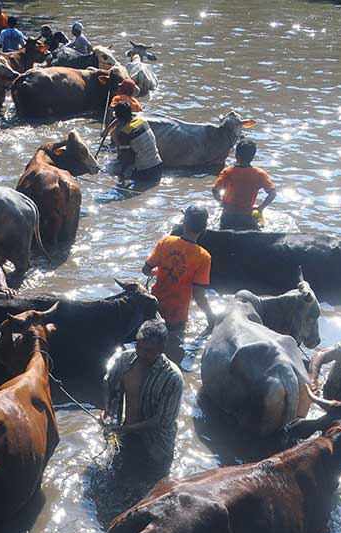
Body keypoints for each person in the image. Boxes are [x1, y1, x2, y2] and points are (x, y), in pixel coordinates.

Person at [101, 319, 184, 469]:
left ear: (161, 349)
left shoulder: (172, 378)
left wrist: (124, 429)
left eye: (148, 350)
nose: (141, 353)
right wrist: (106, 409)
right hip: (126, 434)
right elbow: (108, 381)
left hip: (156, 447)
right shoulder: (125, 359)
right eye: (139, 347)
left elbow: (160, 421)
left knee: (155, 486)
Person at [142, 205, 215, 351]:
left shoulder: (166, 241)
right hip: (177, 316)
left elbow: (146, 269)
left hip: (154, 308)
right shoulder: (203, 257)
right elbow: (198, 294)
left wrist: (157, 273)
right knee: (171, 351)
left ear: (184, 224)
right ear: (204, 229)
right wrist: (211, 316)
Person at [212, 138, 277, 230]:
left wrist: (222, 203)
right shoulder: (259, 173)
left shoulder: (228, 171)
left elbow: (215, 191)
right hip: (247, 216)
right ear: (253, 157)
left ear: (236, 156)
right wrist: (261, 208)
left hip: (228, 216)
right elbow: (272, 193)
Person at [108, 100, 162, 186]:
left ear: (119, 118)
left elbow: (126, 159)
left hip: (145, 171)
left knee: (113, 172)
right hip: (158, 166)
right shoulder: (142, 121)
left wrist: (120, 176)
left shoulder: (125, 133)